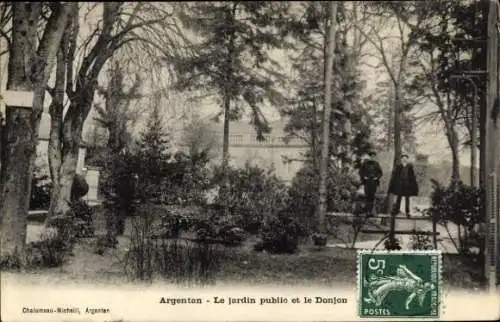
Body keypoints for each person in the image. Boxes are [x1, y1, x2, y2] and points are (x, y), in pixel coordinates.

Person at [358, 151, 383, 217]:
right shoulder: (365, 163)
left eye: (374, 156)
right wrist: (364, 177)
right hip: (366, 182)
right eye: (371, 156)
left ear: (375, 157)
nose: (372, 157)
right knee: (366, 196)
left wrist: (376, 177)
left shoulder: (376, 164)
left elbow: (380, 173)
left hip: (373, 182)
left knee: (372, 197)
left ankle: (370, 212)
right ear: (370, 157)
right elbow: (360, 172)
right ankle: (366, 212)